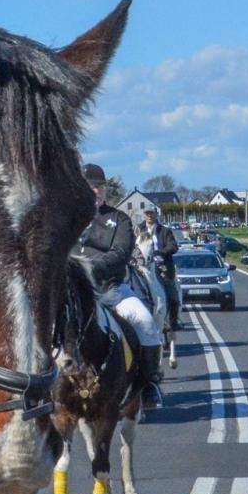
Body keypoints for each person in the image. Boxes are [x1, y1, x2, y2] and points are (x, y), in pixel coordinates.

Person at [72, 164, 165, 407]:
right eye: (89, 186)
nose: (95, 191)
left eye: (99, 186)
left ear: (105, 190)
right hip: (71, 293)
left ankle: (149, 383)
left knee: (145, 322)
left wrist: (88, 269)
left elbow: (121, 253)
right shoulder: (65, 218)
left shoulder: (119, 219)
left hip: (110, 290)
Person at [139, 206, 181, 332]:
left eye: (152, 213)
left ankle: (173, 322)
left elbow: (173, 247)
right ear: (144, 215)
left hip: (162, 267)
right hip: (142, 266)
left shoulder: (165, 231)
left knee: (173, 296)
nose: (149, 216)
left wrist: (160, 252)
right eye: (147, 213)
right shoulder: (138, 229)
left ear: (156, 215)